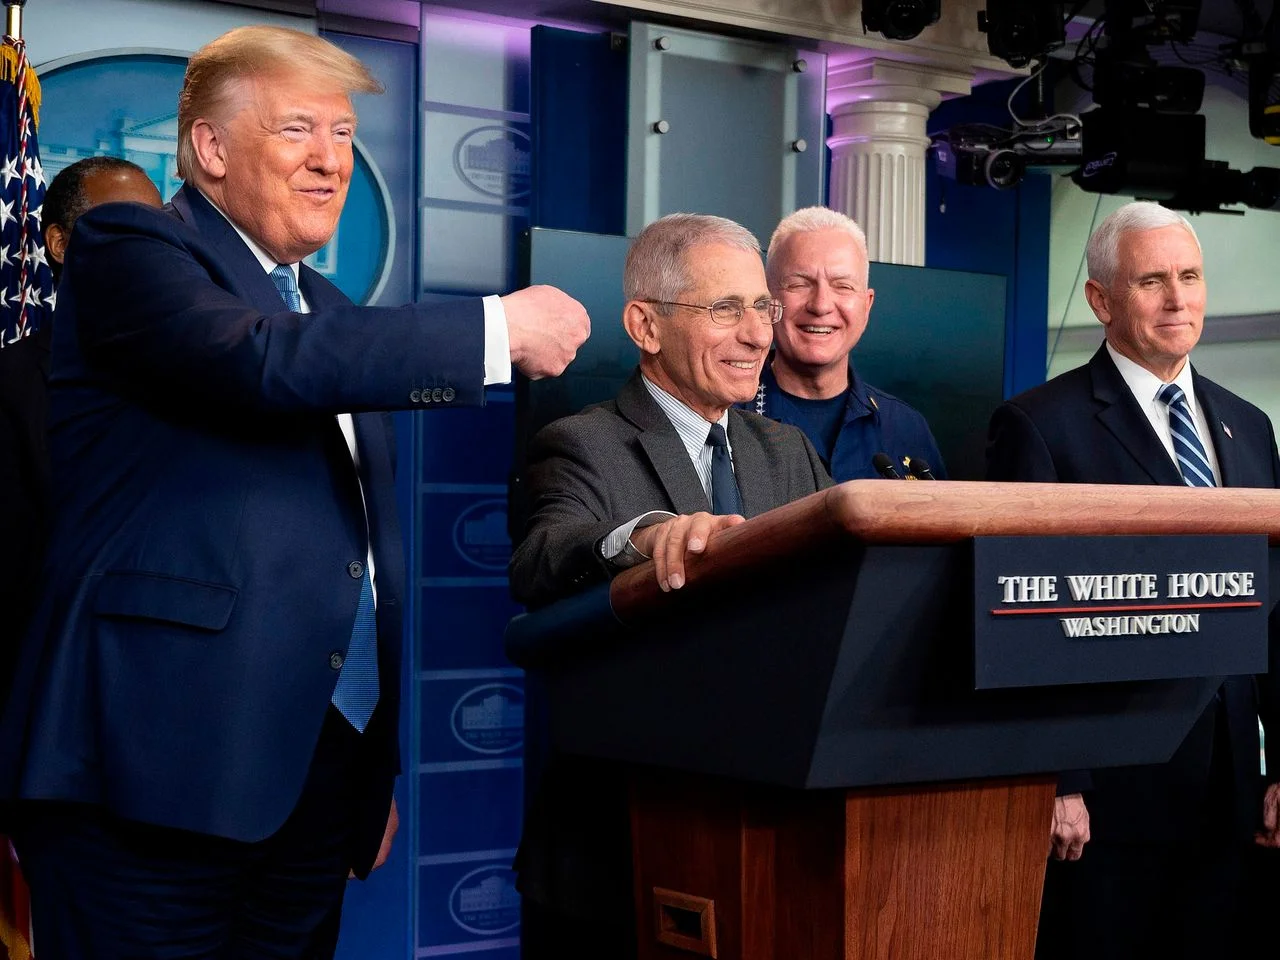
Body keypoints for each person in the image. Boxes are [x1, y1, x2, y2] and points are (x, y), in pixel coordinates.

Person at [0, 26, 588, 958]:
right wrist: (493, 330)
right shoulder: (129, 249)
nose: (330, 159)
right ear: (210, 148)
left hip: (315, 785)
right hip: (146, 781)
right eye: (297, 130)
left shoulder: (336, 317)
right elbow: (255, 360)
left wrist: (369, 770)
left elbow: (358, 560)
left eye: (344, 134)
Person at [508, 212, 831, 958]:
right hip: (619, 849)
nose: (757, 335)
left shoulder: (788, 451)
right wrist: (643, 537)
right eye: (725, 309)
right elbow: (542, 556)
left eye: (762, 308)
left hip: (772, 838)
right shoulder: (582, 441)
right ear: (645, 326)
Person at [985, 200, 1280, 960]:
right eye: (1152, 281)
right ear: (1100, 299)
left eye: (1190, 276)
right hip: (1110, 798)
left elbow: (1274, 607)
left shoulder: (1250, 425)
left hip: (1231, 790)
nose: (1178, 299)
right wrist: (1058, 778)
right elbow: (1023, 619)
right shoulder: (1039, 425)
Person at [0, 157, 161, 707]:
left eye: (159, 231)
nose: (150, 248)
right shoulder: (11, 384)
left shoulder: (199, 377)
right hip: (49, 695)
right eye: (124, 228)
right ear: (60, 244)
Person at [746, 205, 945, 481]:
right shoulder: (727, 417)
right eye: (799, 284)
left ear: (867, 305)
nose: (821, 305)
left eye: (842, 286)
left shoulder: (906, 427)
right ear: (768, 301)